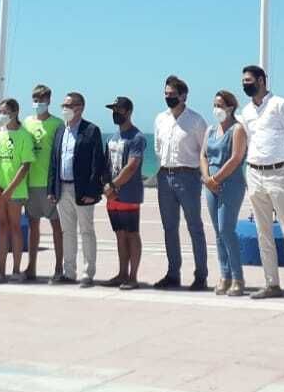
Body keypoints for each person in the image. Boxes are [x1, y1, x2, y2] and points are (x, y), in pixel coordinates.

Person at [239, 65, 284, 304]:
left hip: (278, 172)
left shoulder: (281, 105)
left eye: (248, 80)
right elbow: (248, 140)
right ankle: (272, 283)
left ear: (261, 80)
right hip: (254, 173)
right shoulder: (246, 110)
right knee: (263, 231)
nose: (245, 84)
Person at [152, 75, 209, 291]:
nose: (168, 98)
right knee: (169, 227)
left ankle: (200, 275)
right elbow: (158, 147)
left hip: (188, 177)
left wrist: (204, 175)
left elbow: (204, 151)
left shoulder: (196, 121)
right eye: (166, 95)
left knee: (195, 226)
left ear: (183, 96)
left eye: (172, 95)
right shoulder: (160, 119)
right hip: (164, 176)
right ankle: (173, 273)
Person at [48, 92, 105, 288]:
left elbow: (97, 163)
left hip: (82, 191)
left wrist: (93, 191)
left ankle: (88, 273)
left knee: (87, 231)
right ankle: (68, 272)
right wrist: (51, 189)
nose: (64, 108)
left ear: (79, 107)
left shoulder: (91, 130)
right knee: (67, 231)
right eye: (63, 105)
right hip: (61, 188)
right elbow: (54, 162)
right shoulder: (59, 131)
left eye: (68, 105)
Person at [201, 90, 249, 297]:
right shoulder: (211, 130)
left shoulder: (237, 130)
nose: (217, 109)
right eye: (215, 105)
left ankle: (238, 277)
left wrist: (216, 178)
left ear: (230, 107)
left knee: (227, 229)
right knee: (217, 232)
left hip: (230, 183)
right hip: (210, 184)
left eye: (220, 105)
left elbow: (236, 158)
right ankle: (225, 274)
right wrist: (206, 178)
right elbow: (203, 155)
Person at [0, 98, 35, 283]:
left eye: (5, 112)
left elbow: (25, 165)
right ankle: (0, 270)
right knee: (2, 228)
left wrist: (10, 189)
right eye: (1, 112)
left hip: (16, 191)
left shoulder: (24, 135)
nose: (2, 115)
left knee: (15, 227)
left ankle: (16, 269)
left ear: (15, 113)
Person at [22, 85, 64, 282]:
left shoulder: (57, 124)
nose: (38, 102)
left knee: (57, 226)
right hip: (30, 182)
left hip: (50, 184)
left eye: (41, 98)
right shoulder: (26, 122)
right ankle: (31, 267)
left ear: (49, 100)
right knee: (33, 226)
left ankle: (58, 267)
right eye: (35, 98)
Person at [102, 97, 146, 290]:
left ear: (128, 111)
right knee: (119, 234)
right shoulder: (112, 137)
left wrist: (113, 185)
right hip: (112, 196)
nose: (115, 113)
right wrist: (104, 186)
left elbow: (132, 166)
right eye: (113, 109)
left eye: (118, 109)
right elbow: (106, 164)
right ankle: (121, 273)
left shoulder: (137, 137)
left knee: (132, 234)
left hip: (129, 194)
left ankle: (133, 276)